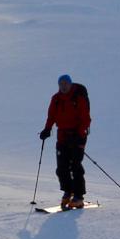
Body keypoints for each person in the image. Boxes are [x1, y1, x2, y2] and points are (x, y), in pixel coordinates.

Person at [39, 74, 91, 209]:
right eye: (61, 84)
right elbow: (51, 116)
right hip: (62, 136)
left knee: (75, 166)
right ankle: (68, 192)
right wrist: (47, 130)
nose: (63, 86)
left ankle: (79, 196)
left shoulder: (78, 97)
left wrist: (80, 135)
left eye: (65, 84)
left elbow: (86, 118)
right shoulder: (56, 99)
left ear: (70, 84)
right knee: (61, 168)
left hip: (77, 136)